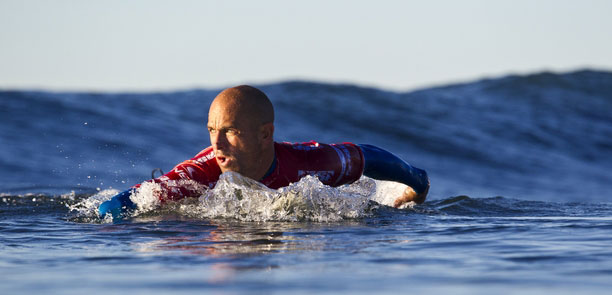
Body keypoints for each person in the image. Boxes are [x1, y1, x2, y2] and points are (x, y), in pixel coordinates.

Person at [98, 85, 429, 219]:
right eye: (212, 130)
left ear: (264, 134)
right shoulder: (202, 172)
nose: (217, 143)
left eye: (230, 131)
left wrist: (416, 182)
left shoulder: (307, 162)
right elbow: (138, 197)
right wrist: (110, 215)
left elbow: (367, 156)